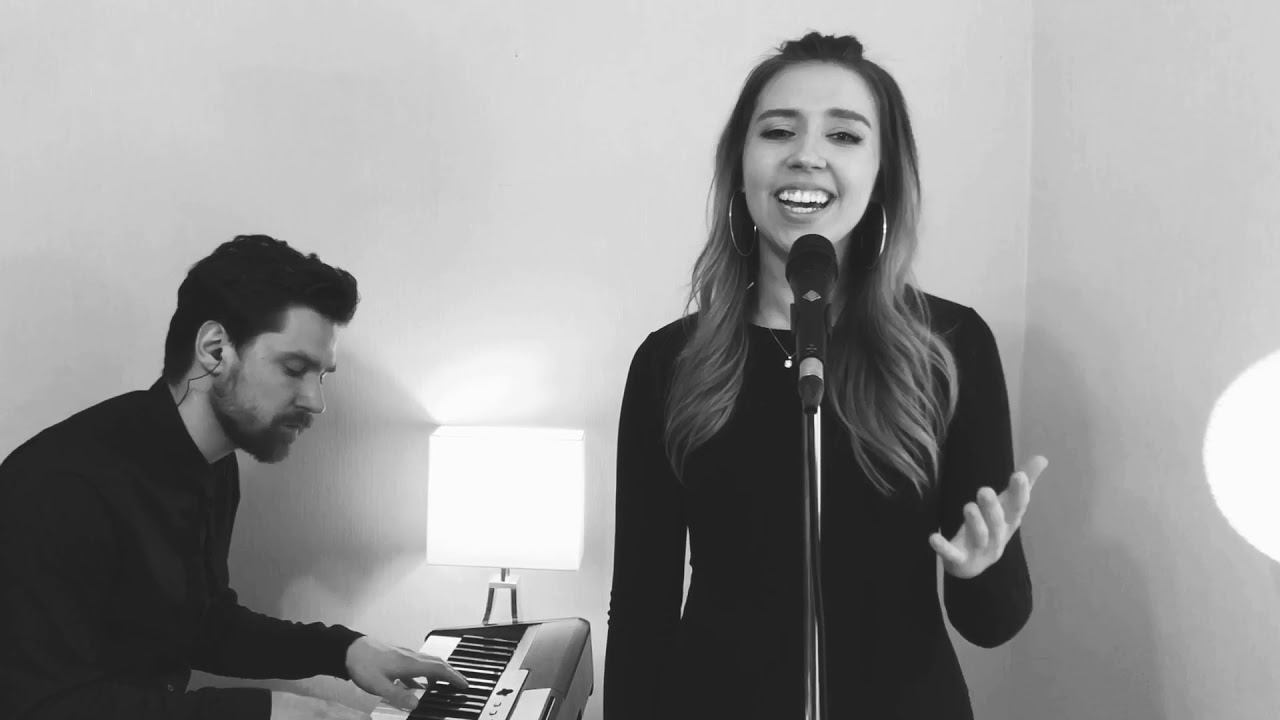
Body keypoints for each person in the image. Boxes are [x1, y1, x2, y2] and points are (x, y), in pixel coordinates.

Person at [603, 33, 1049, 720]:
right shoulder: (669, 363)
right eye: (778, 131)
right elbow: (641, 607)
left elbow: (995, 623)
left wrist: (982, 570)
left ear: (882, 173)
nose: (806, 155)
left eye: (844, 135)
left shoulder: (950, 347)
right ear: (740, 165)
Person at [0, 235, 467, 720]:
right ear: (215, 349)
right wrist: (272, 711)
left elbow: (202, 626)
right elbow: (44, 706)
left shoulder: (214, 461)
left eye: (322, 375)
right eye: (294, 368)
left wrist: (346, 651)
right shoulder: (61, 486)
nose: (315, 401)